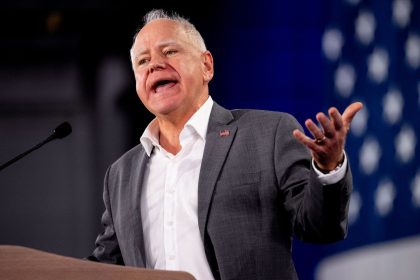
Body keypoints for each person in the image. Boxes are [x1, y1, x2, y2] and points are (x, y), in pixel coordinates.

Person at [87, 9, 363, 280]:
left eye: (169, 51)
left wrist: (328, 168)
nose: (154, 64)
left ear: (207, 65)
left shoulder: (266, 134)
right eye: (142, 61)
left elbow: (320, 227)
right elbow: (103, 267)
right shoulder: (120, 174)